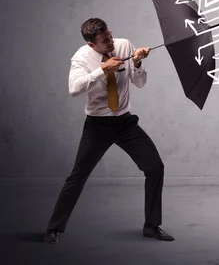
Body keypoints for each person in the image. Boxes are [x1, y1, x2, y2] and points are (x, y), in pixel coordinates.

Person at [44, 18, 174, 244]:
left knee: (155, 167)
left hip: (125, 122)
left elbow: (140, 83)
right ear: (92, 45)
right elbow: (74, 89)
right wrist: (102, 70)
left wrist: (138, 63)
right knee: (78, 176)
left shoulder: (124, 45)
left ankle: (151, 226)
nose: (111, 41)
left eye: (110, 35)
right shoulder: (81, 58)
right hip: (98, 126)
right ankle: (53, 229)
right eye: (105, 41)